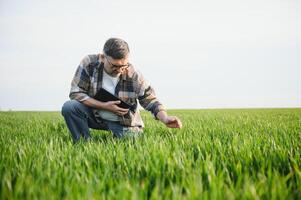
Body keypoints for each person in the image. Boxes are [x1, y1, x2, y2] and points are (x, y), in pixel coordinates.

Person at [61, 38, 182, 142]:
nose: (119, 70)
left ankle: (121, 134)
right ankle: (83, 143)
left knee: (133, 144)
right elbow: (76, 93)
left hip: (123, 122)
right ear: (103, 57)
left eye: (123, 65)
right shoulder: (89, 63)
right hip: (95, 116)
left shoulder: (134, 75)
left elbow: (150, 100)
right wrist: (104, 105)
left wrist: (165, 118)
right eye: (114, 65)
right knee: (70, 107)